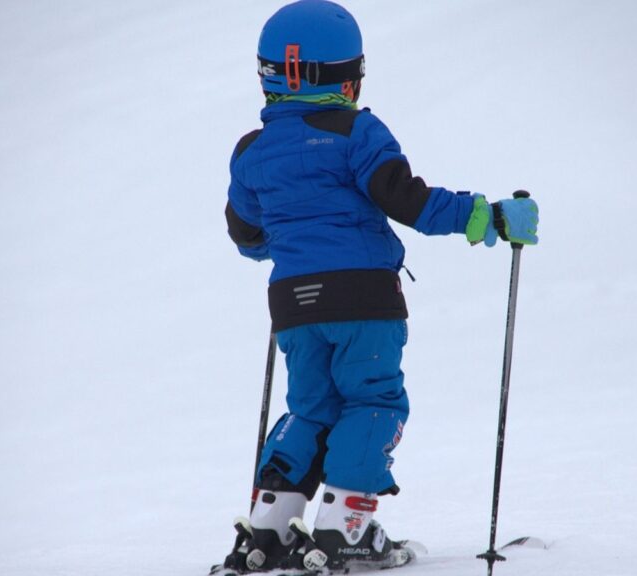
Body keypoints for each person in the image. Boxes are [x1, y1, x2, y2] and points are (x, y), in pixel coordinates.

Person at [218, 0, 539, 573]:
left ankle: (266, 528)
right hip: (363, 297)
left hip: (292, 304)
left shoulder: (252, 151)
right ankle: (346, 530)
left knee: (311, 409)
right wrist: (486, 217)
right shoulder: (356, 130)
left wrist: (295, 242)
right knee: (372, 401)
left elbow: (246, 235)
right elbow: (405, 199)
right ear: (346, 77)